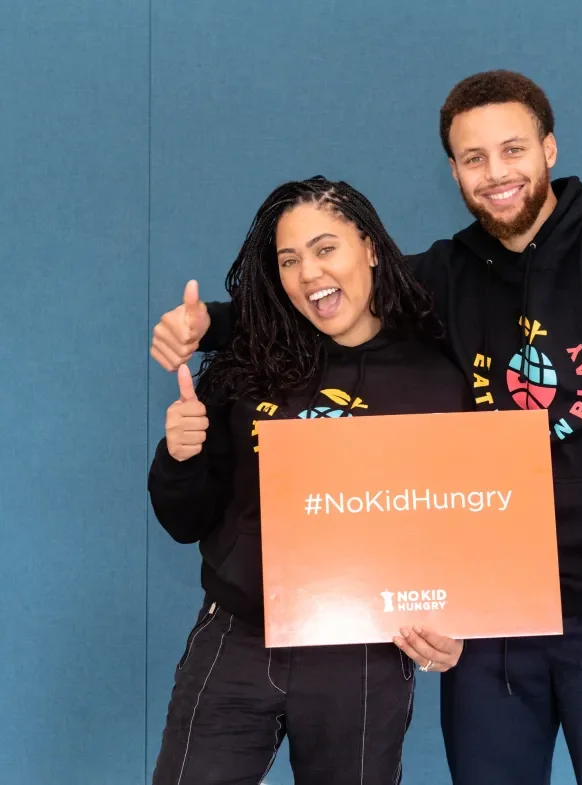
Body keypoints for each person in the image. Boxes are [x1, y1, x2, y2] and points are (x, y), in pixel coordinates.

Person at [150, 71, 582, 785]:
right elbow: (329, 292)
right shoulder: (447, 276)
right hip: (492, 622)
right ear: (454, 171)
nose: (496, 173)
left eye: (511, 150)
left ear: (548, 148)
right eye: (474, 158)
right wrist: (210, 324)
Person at [148, 175, 469, 785]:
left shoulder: (435, 381)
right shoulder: (250, 362)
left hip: (364, 659)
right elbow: (183, 520)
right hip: (236, 639)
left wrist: (458, 623)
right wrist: (179, 456)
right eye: (289, 260)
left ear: (371, 248)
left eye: (326, 249)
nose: (309, 273)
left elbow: (461, 520)